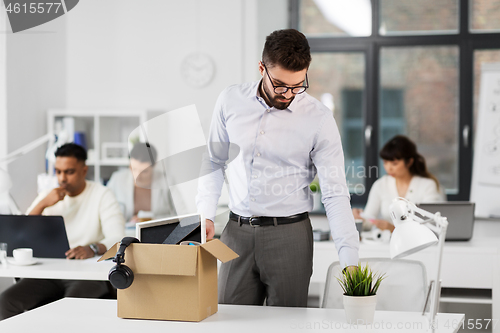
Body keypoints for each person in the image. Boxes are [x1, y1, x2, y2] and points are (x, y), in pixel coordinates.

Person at [196, 29, 359, 307]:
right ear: (262, 68)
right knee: (228, 320)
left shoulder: (318, 119)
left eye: (298, 86)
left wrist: (350, 261)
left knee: (288, 324)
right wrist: (206, 216)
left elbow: (334, 191)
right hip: (236, 232)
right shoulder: (230, 101)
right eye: (281, 85)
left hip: (290, 236)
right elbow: (214, 160)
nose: (289, 94)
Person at [0, 143, 125, 320]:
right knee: (5, 301)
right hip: (51, 272)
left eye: (69, 172)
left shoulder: (102, 195)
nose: (62, 178)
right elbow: (22, 232)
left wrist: (92, 248)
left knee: (68, 305)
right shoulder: (49, 195)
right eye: (58, 171)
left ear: (84, 170)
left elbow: (118, 237)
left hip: (87, 275)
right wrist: (42, 204)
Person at [353, 135, 445, 232]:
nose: (389, 168)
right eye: (385, 162)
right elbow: (369, 221)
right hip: (387, 244)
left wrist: (393, 228)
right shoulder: (381, 184)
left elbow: (431, 225)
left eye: (394, 163)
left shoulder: (428, 185)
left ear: (409, 162)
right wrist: (359, 218)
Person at [107, 142, 177, 222]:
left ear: (154, 165)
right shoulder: (117, 179)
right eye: (134, 169)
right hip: (126, 232)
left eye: (144, 171)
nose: (137, 176)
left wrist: (153, 221)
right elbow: (106, 212)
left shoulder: (167, 181)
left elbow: (180, 214)